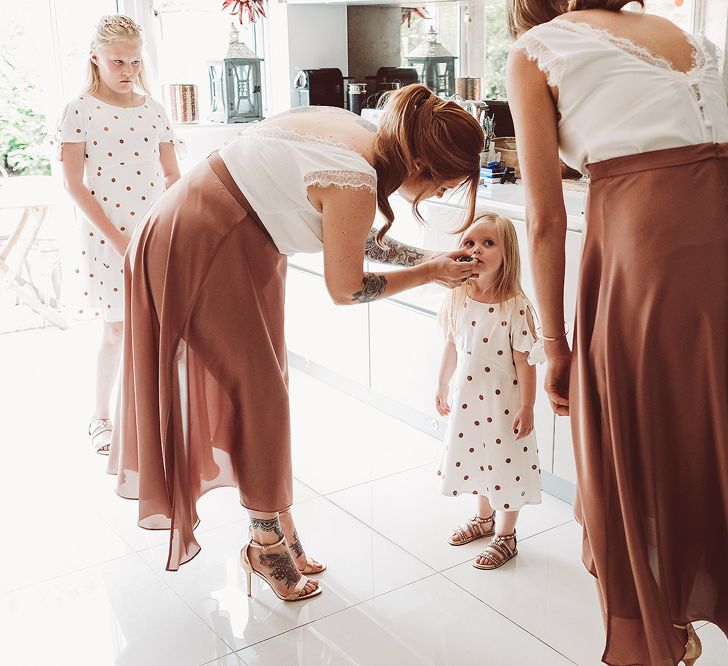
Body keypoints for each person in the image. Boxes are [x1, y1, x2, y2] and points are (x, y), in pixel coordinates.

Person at [107, 84, 485, 602]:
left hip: (225, 228)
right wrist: (425, 273)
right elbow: (347, 287)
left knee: (270, 385)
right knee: (261, 393)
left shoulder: (361, 137)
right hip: (207, 237)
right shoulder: (355, 177)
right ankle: (265, 544)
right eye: (444, 183)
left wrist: (430, 264)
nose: (442, 195)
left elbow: (348, 236)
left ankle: (277, 528)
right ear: (420, 161)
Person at [506, 0, 728, 663]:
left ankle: (666, 626)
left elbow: (544, 217)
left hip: (649, 268)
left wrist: (552, 347)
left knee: (641, 445)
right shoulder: (694, 39)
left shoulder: (535, 51)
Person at [57, 14, 181, 455]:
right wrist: (117, 238)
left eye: (134, 61)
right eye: (118, 62)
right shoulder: (80, 109)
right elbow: (74, 184)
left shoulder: (154, 110)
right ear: (95, 58)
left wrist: (166, 227)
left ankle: (153, 416)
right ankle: (101, 418)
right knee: (116, 329)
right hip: (107, 235)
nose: (128, 72)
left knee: (160, 328)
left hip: (156, 232)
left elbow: (172, 176)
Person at [436, 213, 541, 570]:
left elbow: (526, 362)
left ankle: (506, 535)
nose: (476, 249)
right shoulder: (459, 297)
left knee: (505, 466)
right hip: (468, 402)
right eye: (469, 242)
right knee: (479, 458)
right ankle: (483, 519)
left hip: (504, 405)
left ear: (507, 254)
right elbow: (452, 343)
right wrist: (441, 384)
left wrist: (527, 406)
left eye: (488, 243)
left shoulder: (515, 306)